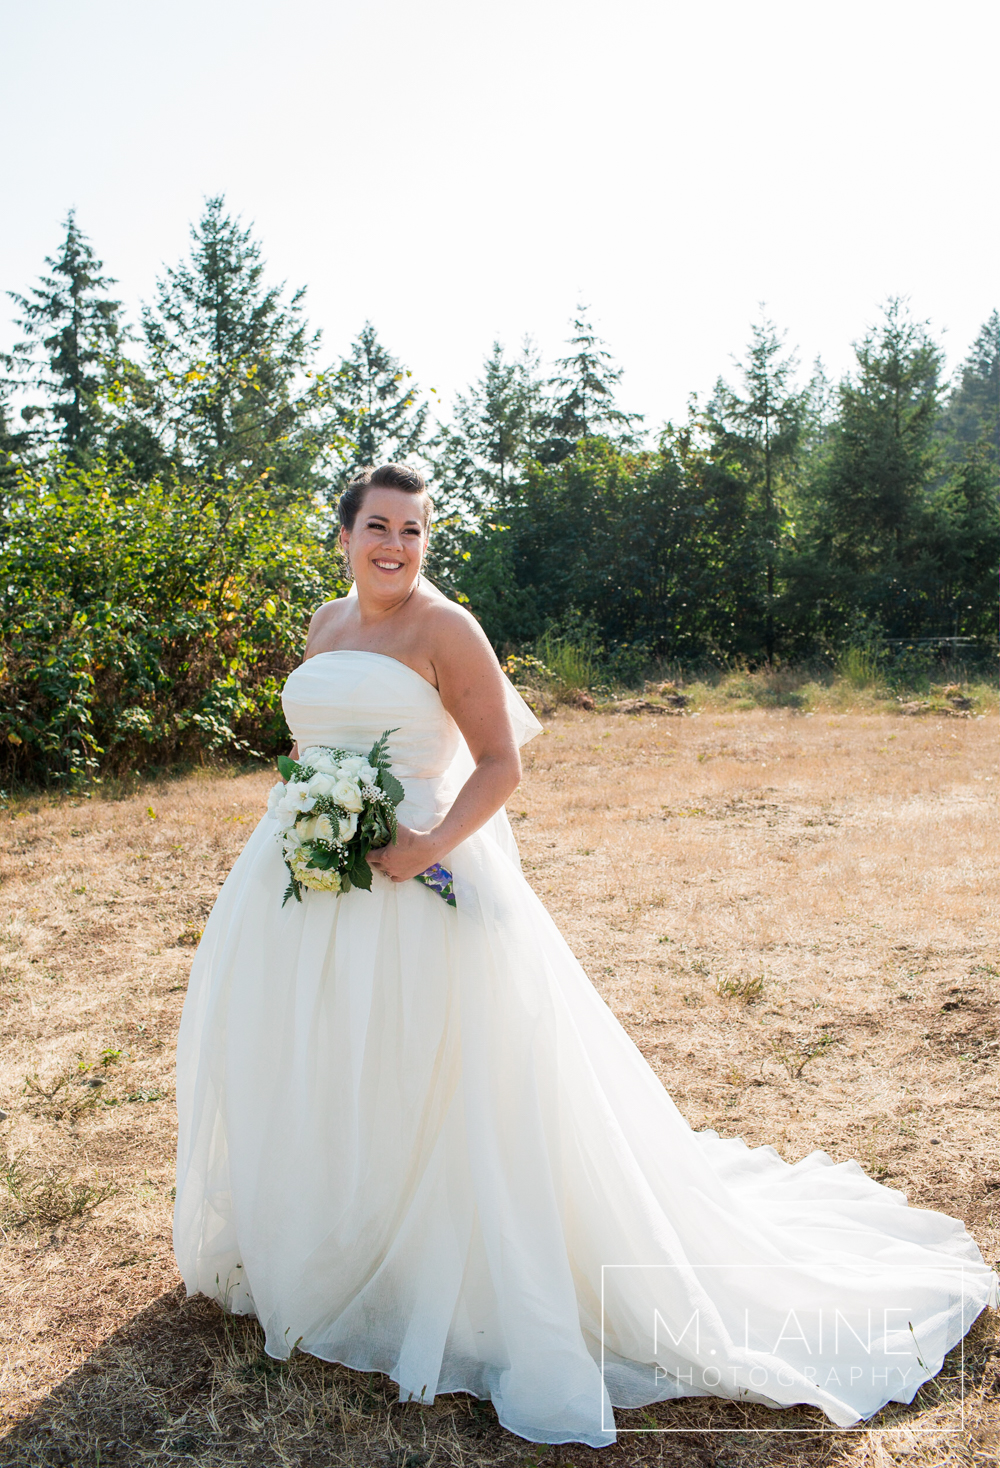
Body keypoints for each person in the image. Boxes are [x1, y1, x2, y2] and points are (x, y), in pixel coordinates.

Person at [174, 463, 997, 1449]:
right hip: (310, 875)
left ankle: (445, 1268)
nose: (396, 545)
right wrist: (315, 820)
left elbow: (499, 762)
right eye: (378, 527)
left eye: (415, 529)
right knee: (322, 1057)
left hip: (416, 873)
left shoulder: (446, 630)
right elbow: (313, 747)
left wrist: (421, 849)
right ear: (343, 534)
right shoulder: (322, 625)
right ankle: (334, 1245)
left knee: (440, 1075)